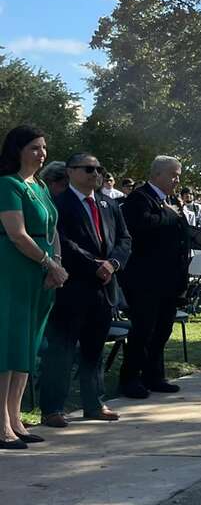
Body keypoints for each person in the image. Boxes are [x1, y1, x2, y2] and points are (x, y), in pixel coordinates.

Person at [40, 152, 131, 427]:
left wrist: (113, 264)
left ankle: (94, 403)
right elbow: (63, 242)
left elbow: (124, 239)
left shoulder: (108, 203)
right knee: (62, 349)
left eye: (99, 168)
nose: (95, 174)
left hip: (104, 288)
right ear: (70, 172)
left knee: (94, 348)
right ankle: (53, 407)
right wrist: (95, 265)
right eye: (88, 169)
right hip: (73, 286)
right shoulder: (58, 203)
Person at [0, 126, 68, 449]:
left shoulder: (40, 186)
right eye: (33, 148)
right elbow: (17, 233)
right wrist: (48, 263)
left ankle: (16, 418)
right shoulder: (8, 185)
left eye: (43, 147)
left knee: (28, 345)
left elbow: (52, 229)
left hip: (41, 273)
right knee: (9, 346)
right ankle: (0, 424)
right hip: (14, 271)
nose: (41, 153)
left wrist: (56, 264)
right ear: (17, 150)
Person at [117, 156, 190, 398]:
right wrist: (170, 215)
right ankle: (130, 378)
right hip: (145, 278)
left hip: (169, 277)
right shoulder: (139, 198)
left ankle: (154, 375)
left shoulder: (170, 200)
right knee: (143, 329)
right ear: (157, 174)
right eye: (173, 174)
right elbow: (142, 226)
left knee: (163, 329)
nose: (177, 180)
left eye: (178, 175)